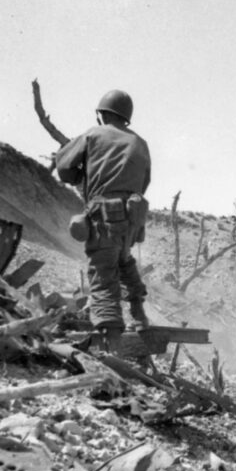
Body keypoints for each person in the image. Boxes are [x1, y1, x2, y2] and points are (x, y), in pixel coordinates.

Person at [55, 89, 151, 351]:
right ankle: (139, 315)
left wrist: (81, 177)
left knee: (102, 273)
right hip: (133, 215)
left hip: (104, 215)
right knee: (124, 260)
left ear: (103, 114)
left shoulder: (93, 134)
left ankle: (112, 344)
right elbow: (144, 182)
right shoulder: (140, 143)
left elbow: (64, 168)